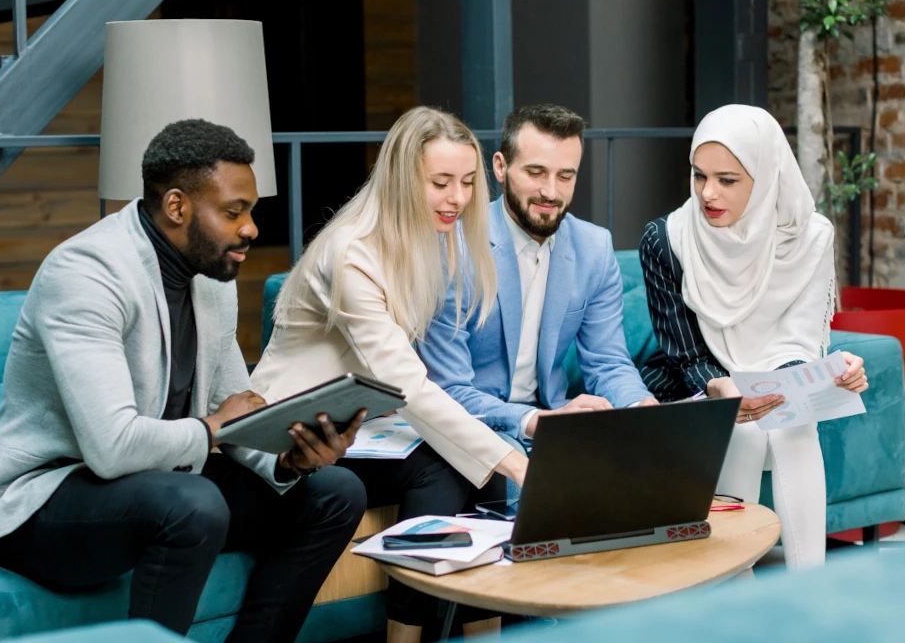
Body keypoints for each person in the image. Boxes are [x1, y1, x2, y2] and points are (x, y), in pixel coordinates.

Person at [0, 119, 367, 641]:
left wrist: (288, 459)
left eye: (250, 211)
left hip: (157, 479)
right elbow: (111, 447)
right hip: (46, 498)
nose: (251, 229)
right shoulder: (86, 273)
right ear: (176, 207)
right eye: (232, 212)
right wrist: (216, 429)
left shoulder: (213, 275)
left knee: (334, 491)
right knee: (193, 504)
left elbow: (233, 410)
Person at [250, 106, 527, 642]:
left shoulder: (431, 236)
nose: (459, 198)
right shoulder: (352, 250)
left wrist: (496, 451)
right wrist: (516, 460)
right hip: (292, 431)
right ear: (403, 180)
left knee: (471, 466)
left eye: (468, 182)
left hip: (352, 425)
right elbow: (406, 385)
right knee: (464, 466)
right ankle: (402, 638)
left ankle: (482, 634)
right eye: (441, 183)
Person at [639, 104, 869, 570]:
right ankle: (734, 588)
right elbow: (684, 355)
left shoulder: (810, 236)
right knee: (742, 429)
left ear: (765, 177)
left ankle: (810, 591)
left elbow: (801, 340)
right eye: (699, 175)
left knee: (789, 423)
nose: (707, 193)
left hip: (771, 385)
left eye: (727, 179)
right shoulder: (667, 239)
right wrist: (725, 389)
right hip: (694, 387)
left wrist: (826, 376)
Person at [418, 103, 656, 455]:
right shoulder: (454, 246)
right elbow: (446, 388)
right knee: (525, 478)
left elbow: (607, 362)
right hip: (475, 422)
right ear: (500, 167)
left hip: (555, 418)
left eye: (565, 176)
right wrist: (534, 420)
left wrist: (640, 407)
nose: (551, 192)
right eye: (535, 172)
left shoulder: (594, 247)